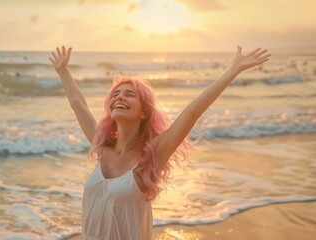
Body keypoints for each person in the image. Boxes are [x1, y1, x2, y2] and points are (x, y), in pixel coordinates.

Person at [49, 46, 270, 240]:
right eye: (115, 95)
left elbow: (192, 112)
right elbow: (78, 104)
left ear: (144, 112)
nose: (119, 98)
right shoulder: (102, 146)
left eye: (129, 94)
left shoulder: (152, 153)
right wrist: (63, 71)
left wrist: (233, 70)